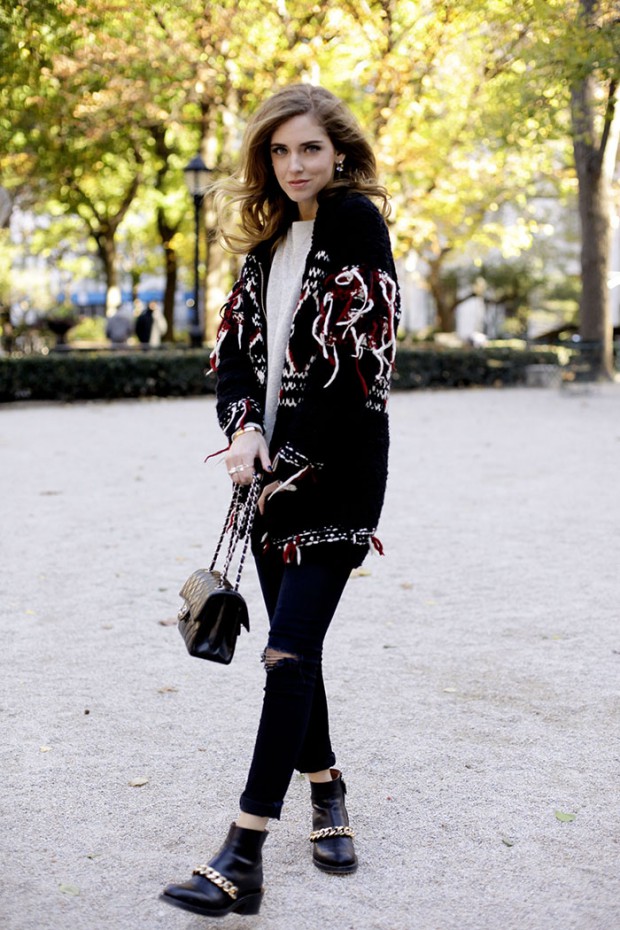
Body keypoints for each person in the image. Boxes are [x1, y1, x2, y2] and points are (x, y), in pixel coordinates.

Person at [161, 83, 400, 918]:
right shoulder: (266, 244)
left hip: (334, 475)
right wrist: (241, 431)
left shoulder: (356, 225)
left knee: (288, 654)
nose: (295, 164)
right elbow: (233, 354)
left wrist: (283, 459)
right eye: (280, 150)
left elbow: (356, 364)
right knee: (293, 648)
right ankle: (326, 785)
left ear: (339, 153)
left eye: (310, 148)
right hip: (263, 480)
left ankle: (244, 850)